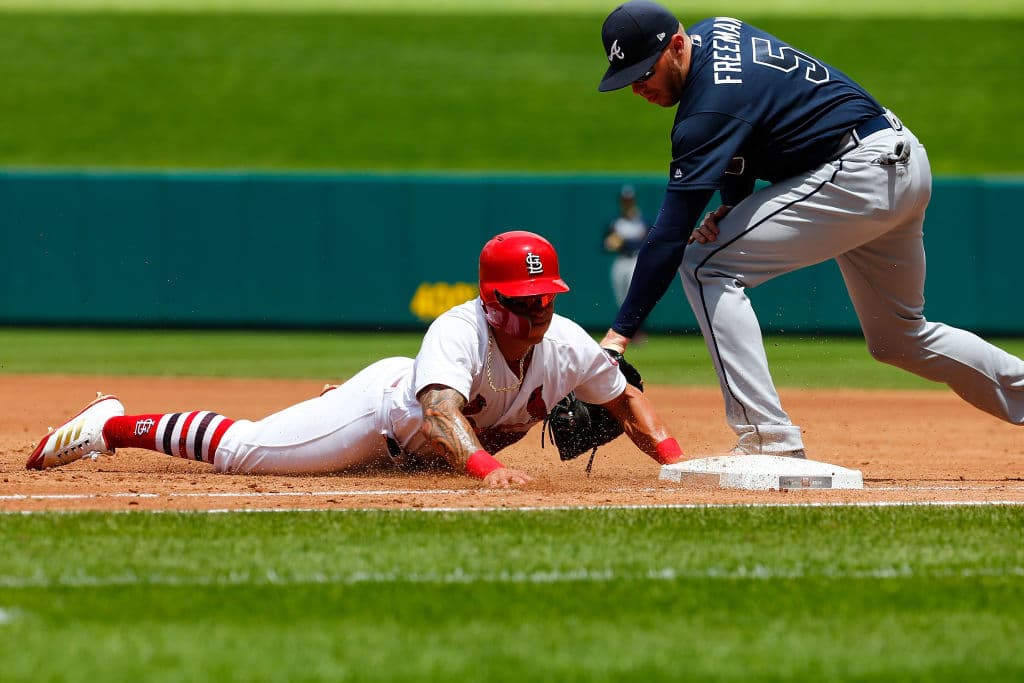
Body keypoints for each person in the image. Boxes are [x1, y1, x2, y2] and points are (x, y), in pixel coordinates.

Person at [595, 1, 1024, 457]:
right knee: (899, 338)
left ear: (677, 45)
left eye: (644, 72)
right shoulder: (717, 30)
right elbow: (754, 120)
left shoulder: (706, 111)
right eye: (628, 79)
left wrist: (617, 337)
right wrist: (734, 206)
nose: (638, 87)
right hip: (897, 158)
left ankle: (767, 438)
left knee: (704, 266)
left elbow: (669, 234)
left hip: (858, 173)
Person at [27, 230, 685, 486]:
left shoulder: (565, 342)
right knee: (245, 452)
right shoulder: (459, 334)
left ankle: (323, 405)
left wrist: (674, 458)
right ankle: (111, 425)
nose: (539, 310)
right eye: (524, 299)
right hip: (384, 414)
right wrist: (484, 467)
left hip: (418, 442)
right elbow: (437, 407)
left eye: (546, 296)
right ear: (490, 301)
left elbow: (622, 392)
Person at [603, 184, 650, 309]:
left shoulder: (642, 220)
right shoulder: (615, 221)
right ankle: (626, 328)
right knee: (620, 297)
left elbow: (649, 241)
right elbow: (604, 245)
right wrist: (610, 244)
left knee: (634, 295)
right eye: (625, 200)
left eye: (630, 200)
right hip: (621, 259)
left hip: (636, 260)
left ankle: (638, 328)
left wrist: (624, 242)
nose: (627, 203)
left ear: (634, 200)